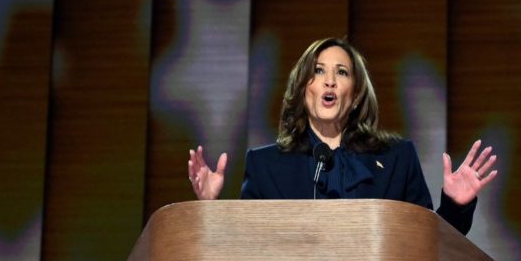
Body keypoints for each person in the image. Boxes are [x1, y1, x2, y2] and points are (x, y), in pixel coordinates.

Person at [187, 37, 496, 234]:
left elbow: (426, 249)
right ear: (303, 89)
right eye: (318, 71)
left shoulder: (397, 157)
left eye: (342, 72)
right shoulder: (265, 164)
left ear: (357, 94)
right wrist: (209, 209)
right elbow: (243, 250)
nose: (330, 81)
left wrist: (455, 206)